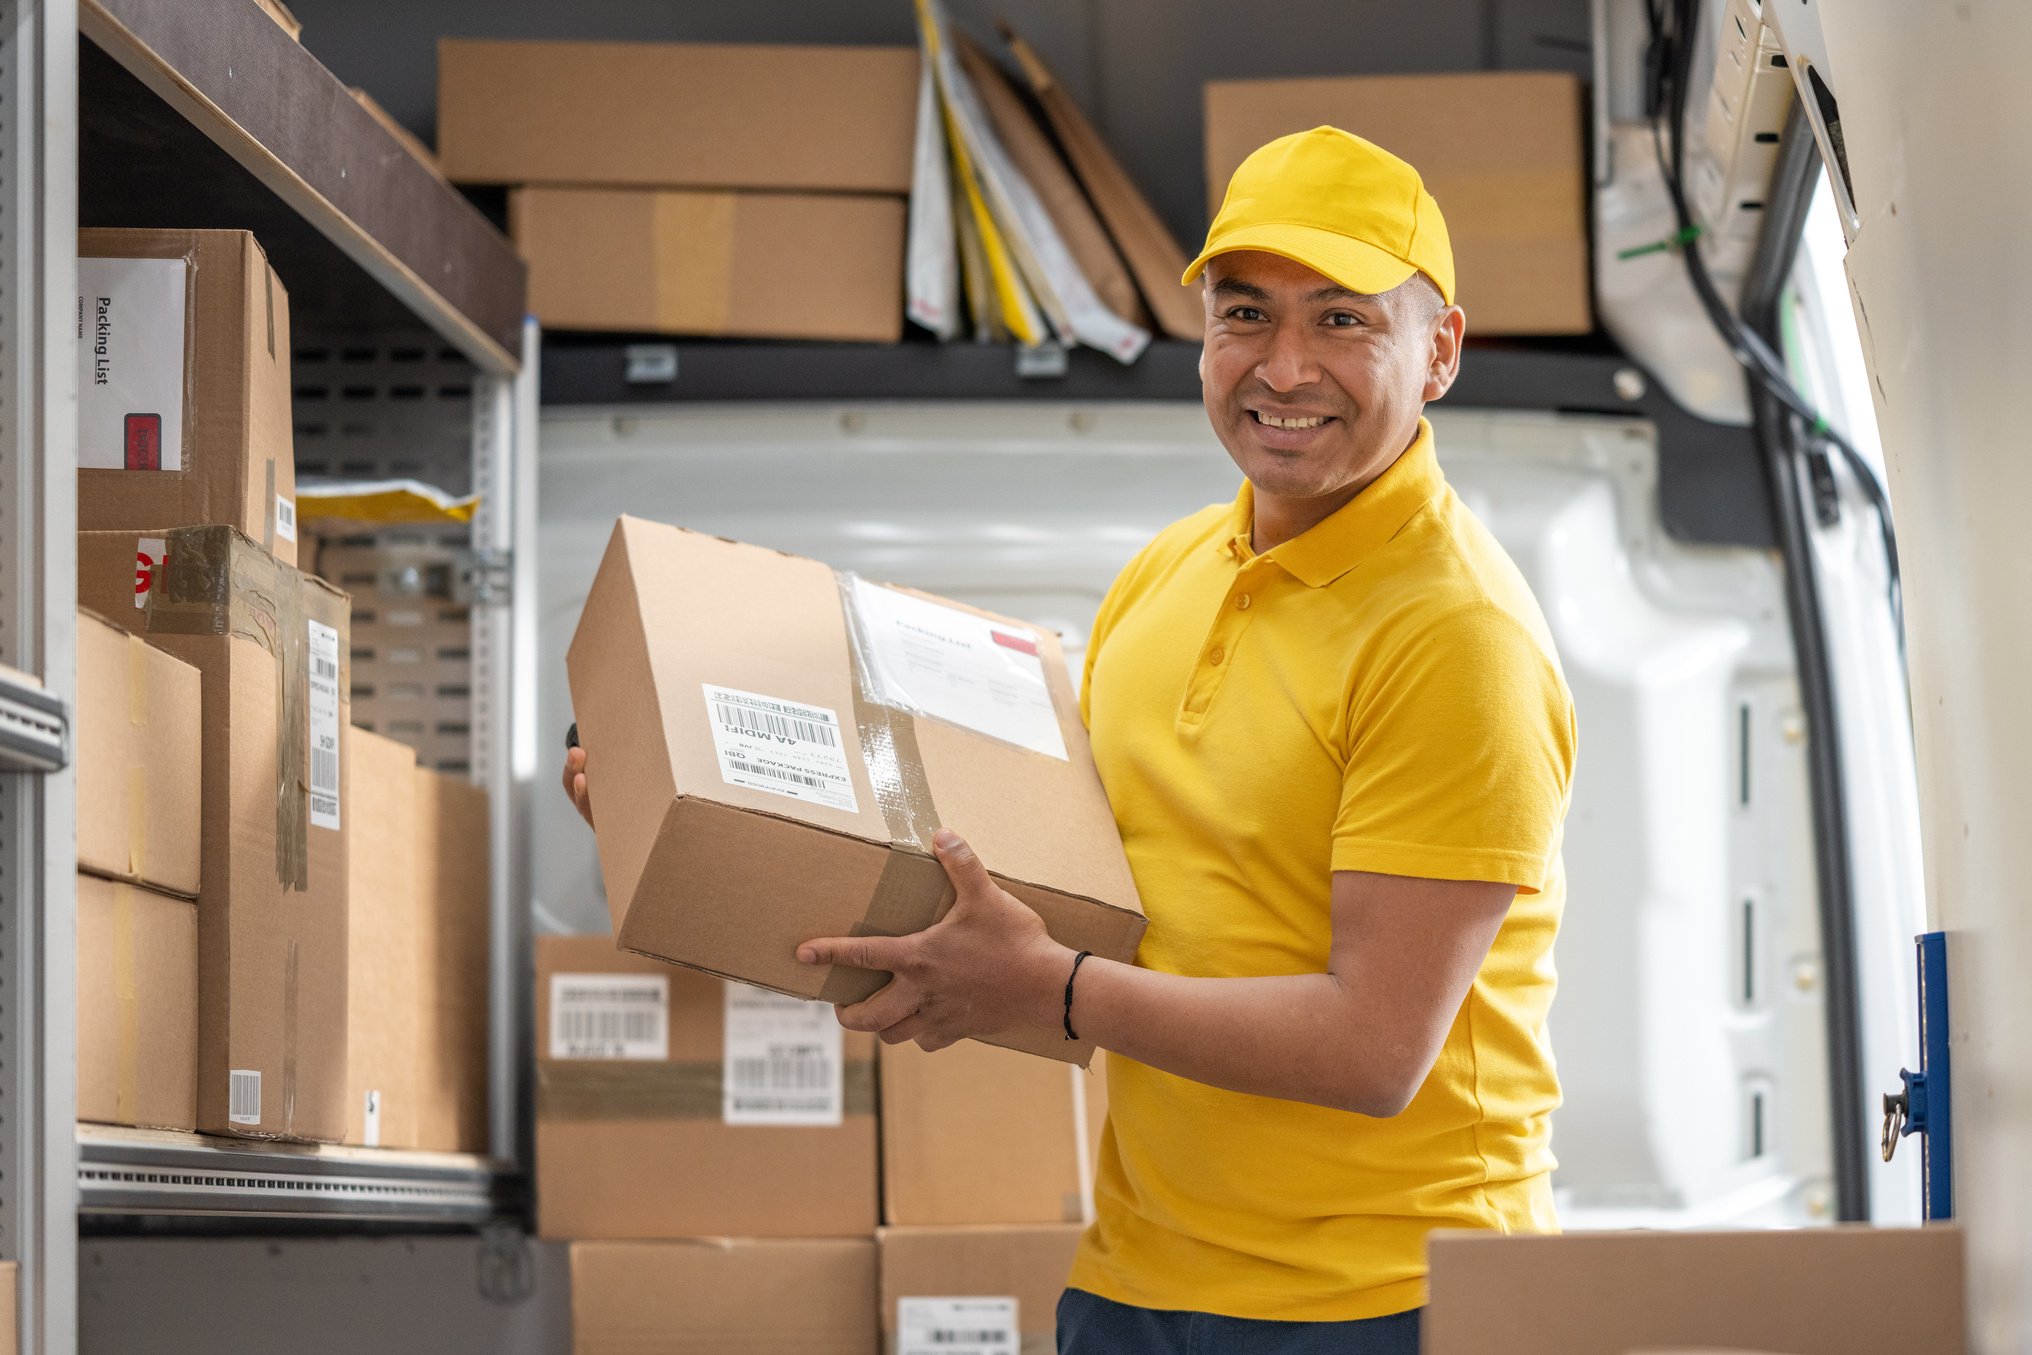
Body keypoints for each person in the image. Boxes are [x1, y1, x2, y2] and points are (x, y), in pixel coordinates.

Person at [562, 126, 1575, 1355]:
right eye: (1244, 314)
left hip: (1382, 1298)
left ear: (1440, 352)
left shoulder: (1455, 634)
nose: (1284, 365)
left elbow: (1371, 1047)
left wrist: (1055, 987)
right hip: (1138, 1276)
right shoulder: (1170, 571)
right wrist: (700, 801)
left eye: (1344, 320)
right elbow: (1056, 897)